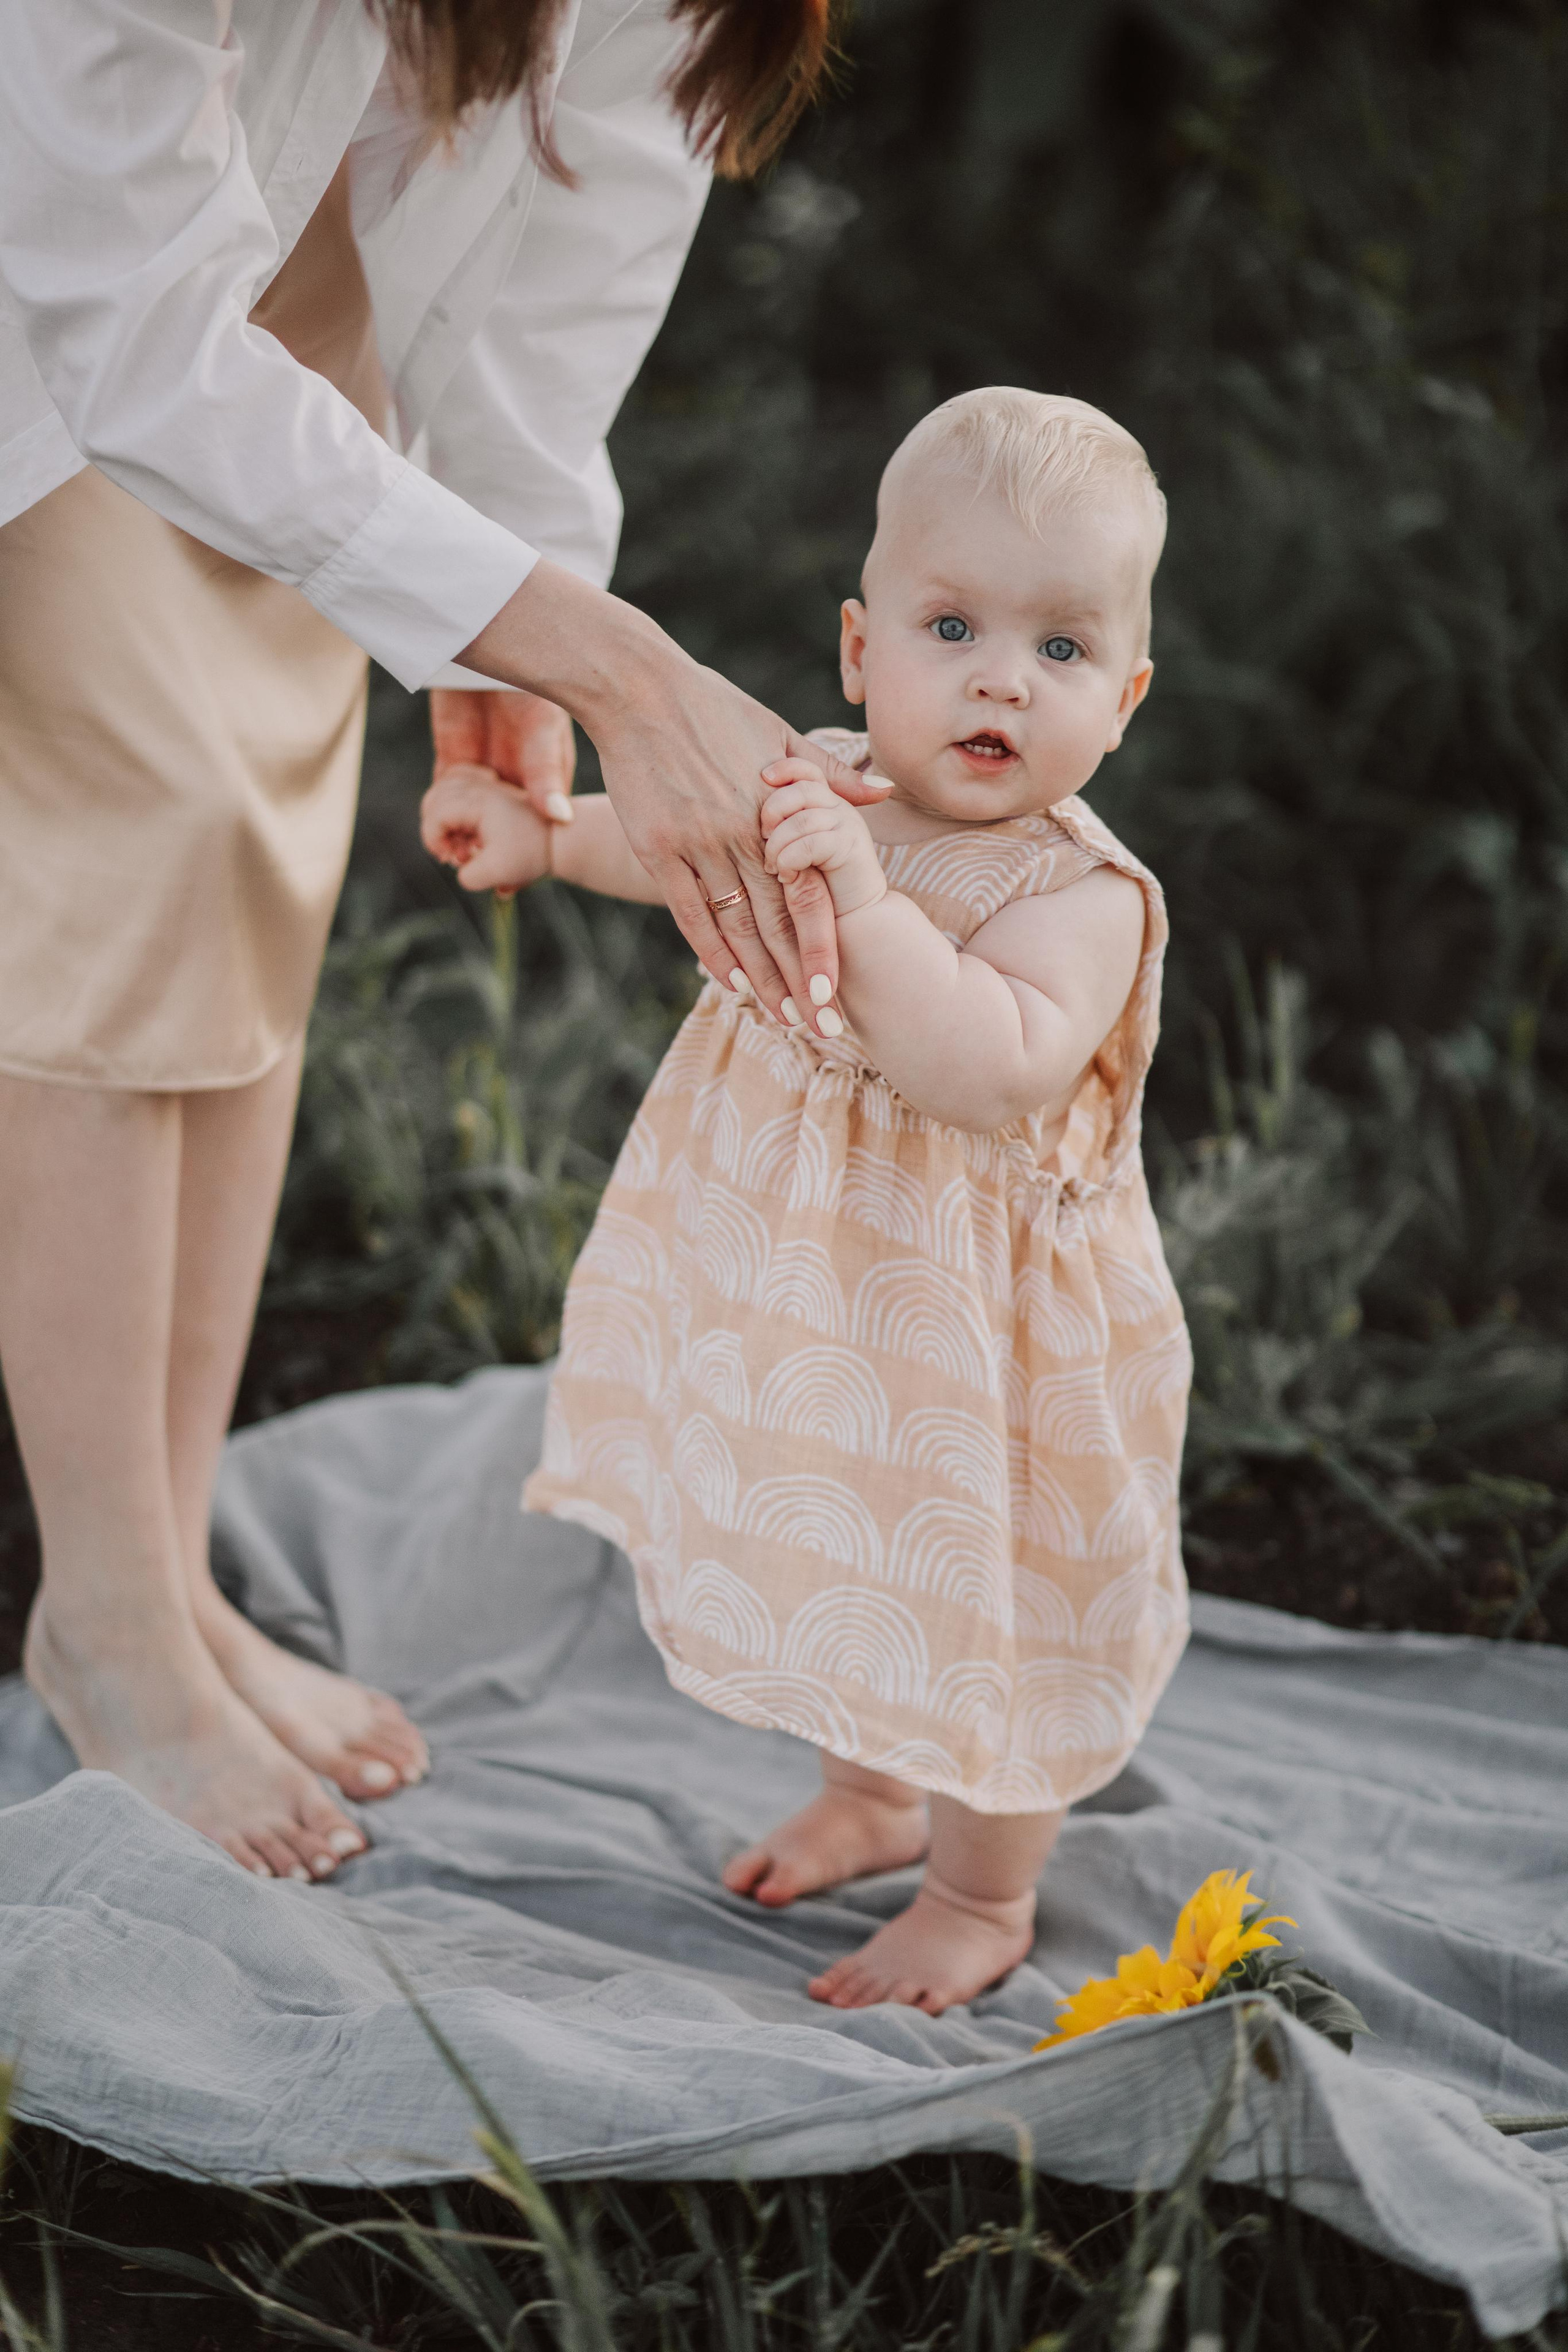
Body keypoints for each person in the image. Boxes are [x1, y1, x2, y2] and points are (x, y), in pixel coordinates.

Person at [0, 0, 884, 1887]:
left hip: (297, 252)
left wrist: (519, 601)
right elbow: (132, 344)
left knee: (264, 860)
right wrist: (616, 665)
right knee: (127, 863)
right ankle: (104, 1612)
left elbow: (595, 187)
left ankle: (163, 1562)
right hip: (69, 274)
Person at [424, 386, 1194, 2014]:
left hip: (992, 1359)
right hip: (832, 1308)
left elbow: (987, 1069)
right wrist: (548, 837)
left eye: (1061, 651)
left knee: (987, 1598)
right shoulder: (823, 784)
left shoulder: (1080, 896)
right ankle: (866, 1793)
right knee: (855, 1544)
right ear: (861, 653)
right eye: (954, 625)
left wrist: (864, 900)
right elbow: (673, 848)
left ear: (1122, 699)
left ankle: (981, 1893)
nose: (1000, 675)